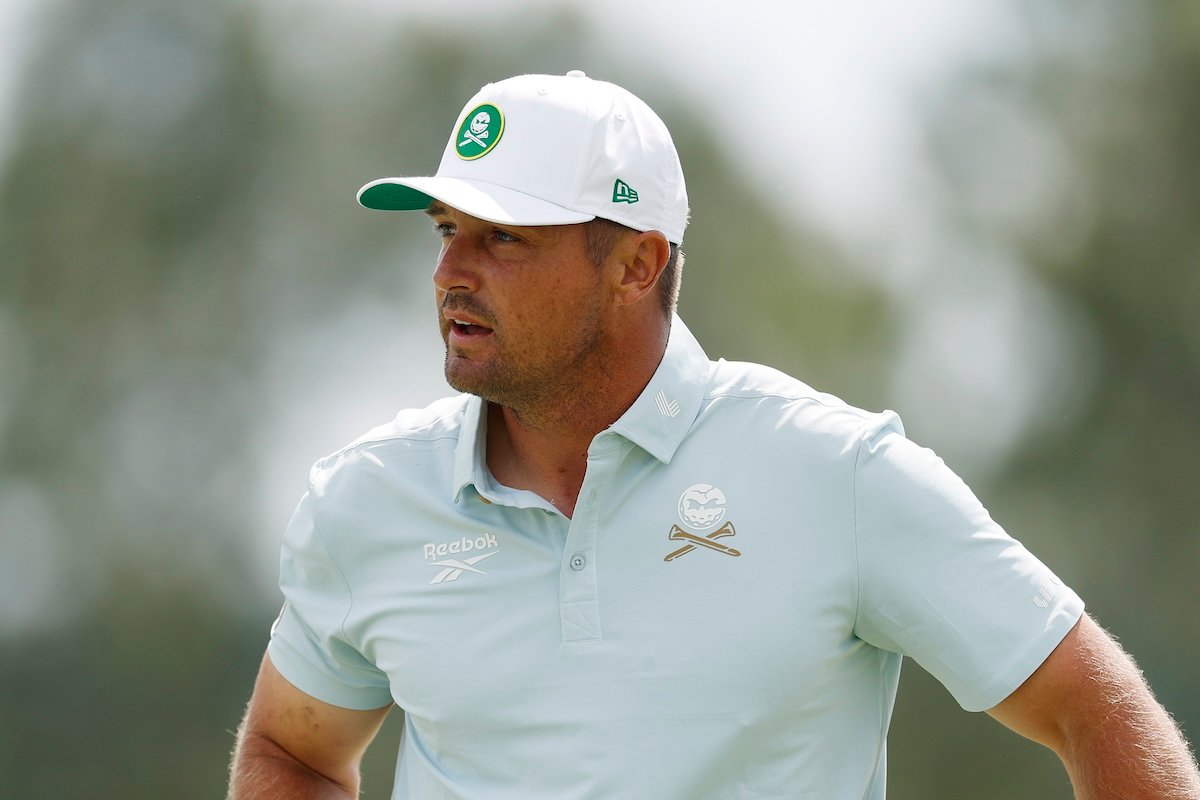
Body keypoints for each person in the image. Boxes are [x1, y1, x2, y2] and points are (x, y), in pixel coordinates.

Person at [227, 71, 1200, 800]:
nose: (452, 272)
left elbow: (1094, 708)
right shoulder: (369, 500)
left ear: (636, 264)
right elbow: (290, 749)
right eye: (447, 230)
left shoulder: (833, 473)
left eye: (505, 237)